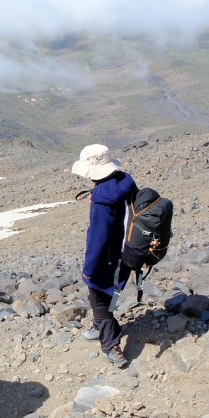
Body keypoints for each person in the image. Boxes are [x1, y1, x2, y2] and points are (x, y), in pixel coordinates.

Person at [73, 143, 139, 364]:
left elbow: (97, 239)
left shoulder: (102, 201)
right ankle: (98, 325)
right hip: (127, 252)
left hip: (109, 257)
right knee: (112, 292)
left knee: (98, 298)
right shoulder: (123, 183)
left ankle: (111, 345)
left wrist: (89, 269)